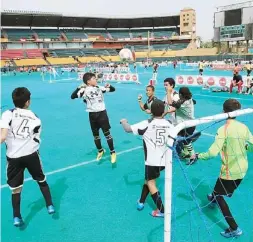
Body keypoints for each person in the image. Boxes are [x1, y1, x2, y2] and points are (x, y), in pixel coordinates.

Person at [191, 99, 253, 238]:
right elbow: (251, 144)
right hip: (242, 168)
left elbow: (212, 152)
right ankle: (212, 198)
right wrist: (246, 147)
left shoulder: (223, 129)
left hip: (230, 171)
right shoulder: (243, 127)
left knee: (221, 196)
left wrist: (198, 155)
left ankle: (234, 228)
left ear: (223, 111)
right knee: (219, 185)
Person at [0, 87, 55, 227]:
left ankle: (17, 217)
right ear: (28, 102)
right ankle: (50, 205)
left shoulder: (7, 114)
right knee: (41, 180)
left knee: (16, 189)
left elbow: (3, 136)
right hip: (31, 154)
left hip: (13, 157)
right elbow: (36, 138)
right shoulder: (35, 117)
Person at [120, 99, 174, 217]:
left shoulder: (148, 123)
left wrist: (124, 121)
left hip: (152, 160)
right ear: (164, 110)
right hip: (165, 160)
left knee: (151, 183)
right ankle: (141, 201)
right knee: (148, 179)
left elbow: (128, 129)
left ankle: (162, 210)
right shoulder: (169, 123)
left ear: (151, 111)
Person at [71, 72, 117, 163]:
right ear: (88, 81)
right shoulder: (83, 91)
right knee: (96, 135)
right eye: (94, 78)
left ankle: (113, 152)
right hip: (92, 115)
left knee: (107, 134)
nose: (96, 80)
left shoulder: (99, 88)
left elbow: (112, 90)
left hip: (102, 114)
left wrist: (110, 85)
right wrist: (78, 88)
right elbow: (72, 96)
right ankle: (100, 151)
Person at [163, 87, 197, 164]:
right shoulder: (188, 99)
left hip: (187, 125)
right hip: (184, 124)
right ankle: (186, 153)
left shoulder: (183, 102)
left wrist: (168, 92)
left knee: (186, 141)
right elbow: (194, 101)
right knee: (180, 138)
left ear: (181, 94)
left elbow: (170, 103)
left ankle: (193, 156)